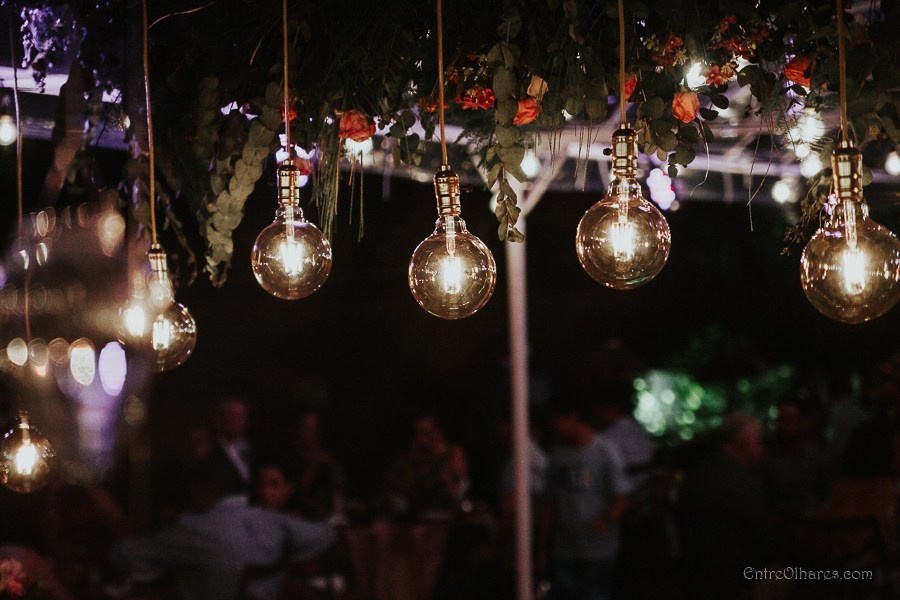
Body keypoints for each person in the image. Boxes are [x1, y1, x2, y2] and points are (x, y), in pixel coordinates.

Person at [114, 459, 334, 600]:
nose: (266, 491)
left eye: (274, 485)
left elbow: (125, 554)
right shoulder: (271, 520)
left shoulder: (197, 528)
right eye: (261, 484)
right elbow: (328, 536)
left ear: (204, 491)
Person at [537, 399, 631, 600]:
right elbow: (549, 502)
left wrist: (607, 520)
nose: (555, 428)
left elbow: (622, 495)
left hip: (598, 549)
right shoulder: (558, 455)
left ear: (573, 418)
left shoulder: (605, 451)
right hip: (565, 548)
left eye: (557, 421)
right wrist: (542, 545)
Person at [677, 413, 773, 600]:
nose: (762, 450)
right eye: (759, 442)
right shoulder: (743, 484)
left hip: (692, 579)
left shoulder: (695, 475)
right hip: (732, 582)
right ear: (744, 443)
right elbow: (764, 542)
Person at [385, 413, 469, 518]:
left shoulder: (453, 453)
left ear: (438, 430)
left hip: (445, 514)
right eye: (418, 432)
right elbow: (397, 487)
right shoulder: (411, 456)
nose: (421, 437)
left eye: (426, 432)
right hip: (415, 514)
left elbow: (460, 489)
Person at [284, 411, 344, 520]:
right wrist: (313, 466)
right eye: (305, 429)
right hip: (292, 516)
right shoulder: (288, 460)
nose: (309, 434)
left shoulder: (327, 461)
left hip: (321, 518)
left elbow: (336, 493)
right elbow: (292, 494)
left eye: (313, 429)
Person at [212, 397, 253, 490]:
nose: (240, 422)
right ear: (219, 419)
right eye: (234, 417)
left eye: (243, 417)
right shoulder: (210, 450)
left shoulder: (256, 448)